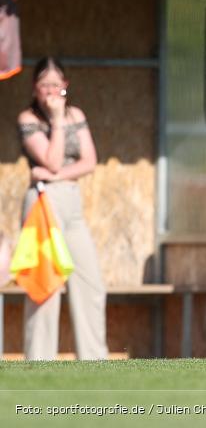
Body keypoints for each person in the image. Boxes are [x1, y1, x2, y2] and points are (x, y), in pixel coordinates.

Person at [17, 57, 107, 360]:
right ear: (35, 88)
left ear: (65, 86)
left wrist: (52, 174)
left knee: (90, 284)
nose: (51, 91)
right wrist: (56, 120)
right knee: (45, 288)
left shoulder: (76, 114)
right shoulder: (28, 119)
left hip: (72, 203)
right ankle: (39, 362)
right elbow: (53, 158)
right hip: (43, 204)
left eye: (56, 84)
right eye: (44, 84)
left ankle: (94, 362)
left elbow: (89, 161)